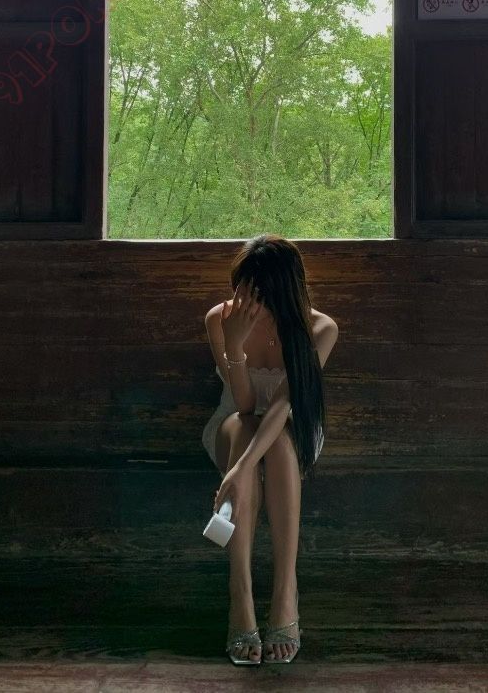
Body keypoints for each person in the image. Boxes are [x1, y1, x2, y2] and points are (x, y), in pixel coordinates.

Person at [202, 234, 339, 665]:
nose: (244, 302)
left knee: (276, 441)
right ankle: (240, 594)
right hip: (233, 424)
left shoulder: (319, 329)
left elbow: (282, 408)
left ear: (282, 291)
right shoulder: (221, 319)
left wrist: (240, 471)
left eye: (256, 294)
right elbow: (243, 405)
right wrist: (235, 345)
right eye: (240, 290)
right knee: (246, 429)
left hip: (291, 430)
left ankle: (285, 593)